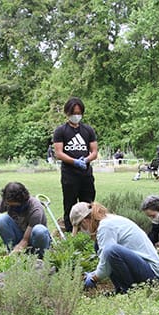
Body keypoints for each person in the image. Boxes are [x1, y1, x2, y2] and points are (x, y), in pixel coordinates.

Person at [70, 201, 159, 294]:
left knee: (111, 251)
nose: (82, 231)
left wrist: (94, 278)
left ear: (85, 221)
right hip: (142, 266)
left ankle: (128, 291)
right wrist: (95, 273)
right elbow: (106, 262)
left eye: (79, 228)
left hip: (152, 274)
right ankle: (120, 289)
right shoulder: (107, 221)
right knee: (99, 247)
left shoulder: (105, 227)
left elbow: (106, 262)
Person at [53, 97, 98, 233]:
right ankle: (69, 232)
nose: (76, 116)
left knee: (89, 204)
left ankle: (90, 231)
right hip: (69, 174)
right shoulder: (61, 131)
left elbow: (94, 152)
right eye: (74, 113)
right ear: (68, 113)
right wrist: (74, 162)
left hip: (86, 174)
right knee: (69, 204)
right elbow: (59, 153)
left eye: (79, 113)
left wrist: (86, 160)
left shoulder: (88, 130)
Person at [0, 181, 52, 258]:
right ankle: (15, 252)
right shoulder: (7, 201)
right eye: (9, 205)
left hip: (35, 239)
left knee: (39, 230)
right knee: (1, 219)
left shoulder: (35, 210)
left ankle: (39, 257)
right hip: (21, 235)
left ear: (23, 201)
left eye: (15, 206)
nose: (12, 207)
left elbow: (26, 240)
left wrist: (10, 257)